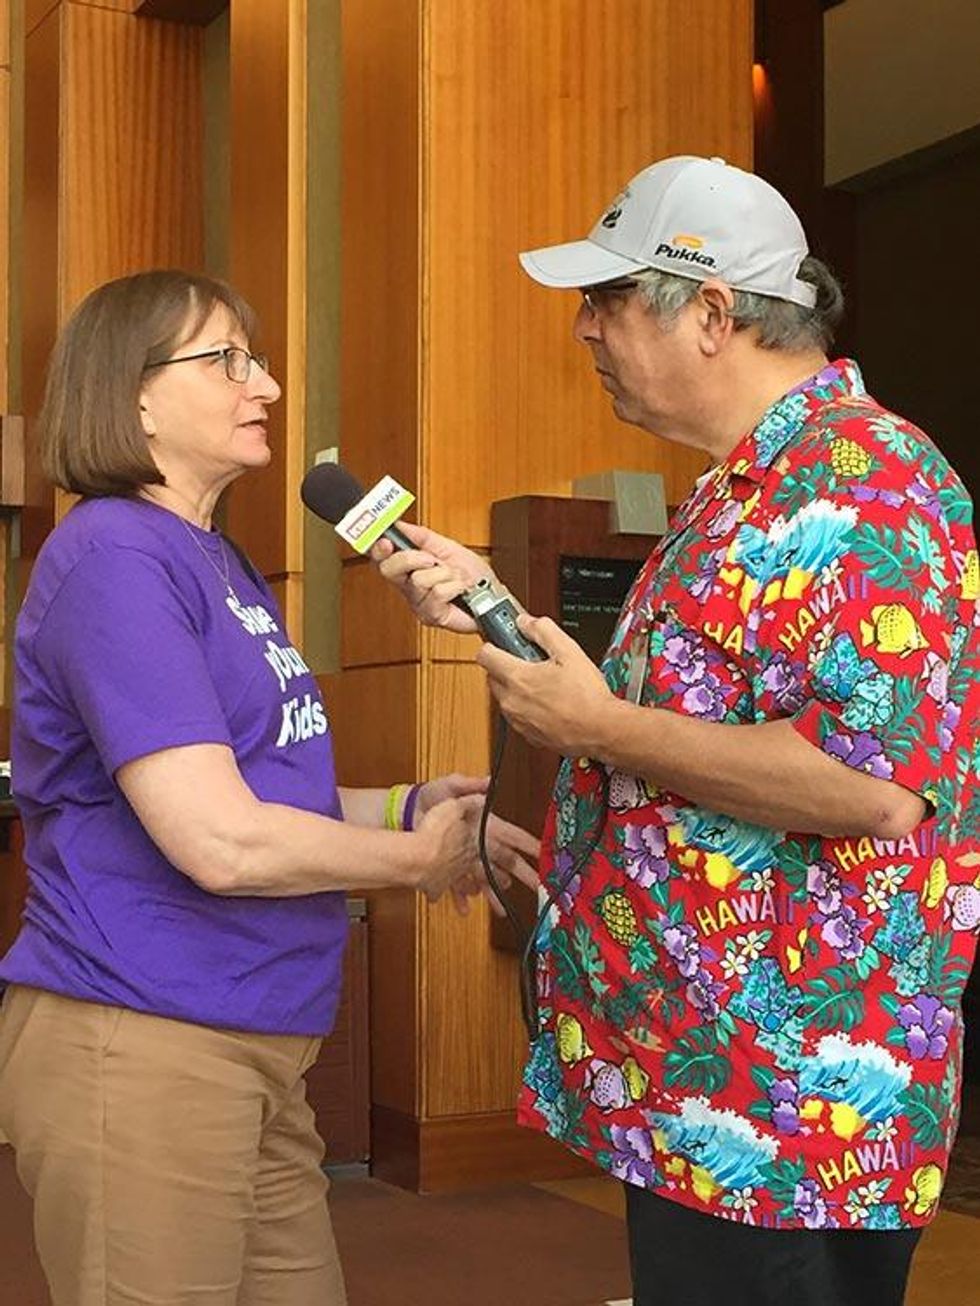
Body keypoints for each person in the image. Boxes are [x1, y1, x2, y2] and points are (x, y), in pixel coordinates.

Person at [373, 157, 979, 1305]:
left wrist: (601, 727)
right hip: (705, 1086)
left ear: (709, 311)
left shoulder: (864, 481)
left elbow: (869, 787)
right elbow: (693, 713)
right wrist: (492, 607)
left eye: (604, 299)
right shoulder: (740, 487)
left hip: (787, 1111)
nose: (582, 329)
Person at [0, 269, 540, 1306]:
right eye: (229, 360)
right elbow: (221, 840)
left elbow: (259, 792)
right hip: (145, 1034)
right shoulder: (114, 554)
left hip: (260, 1045)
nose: (269, 386)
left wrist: (410, 806)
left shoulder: (221, 563)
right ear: (134, 396)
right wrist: (418, 859)